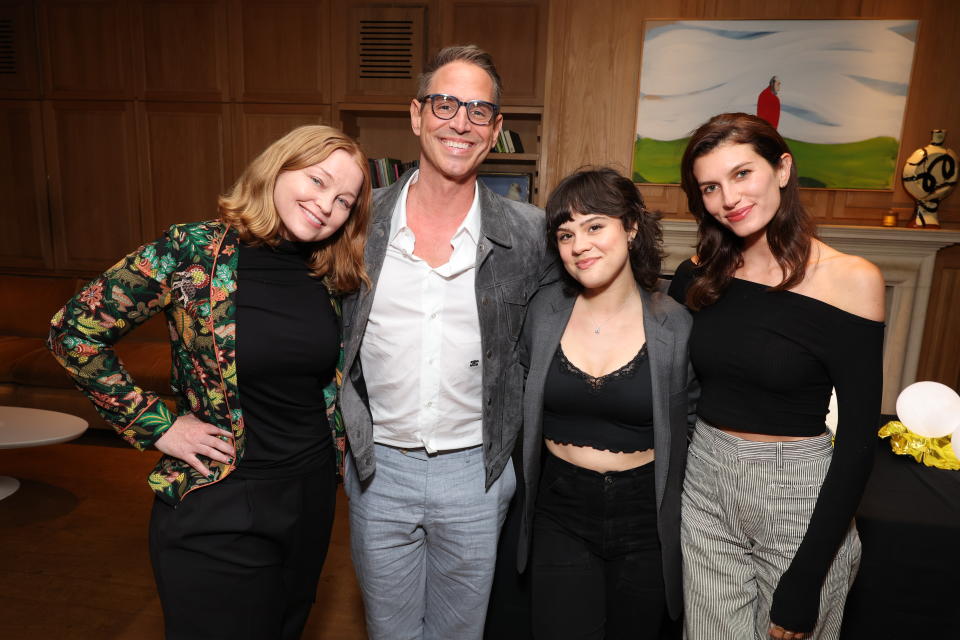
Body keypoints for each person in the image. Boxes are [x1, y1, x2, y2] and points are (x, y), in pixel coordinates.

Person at [47, 125, 372, 640]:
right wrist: (156, 425)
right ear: (279, 168)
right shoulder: (191, 252)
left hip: (308, 502)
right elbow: (74, 331)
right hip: (218, 501)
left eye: (343, 199)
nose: (325, 203)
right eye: (316, 179)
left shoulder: (333, 276)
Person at [338, 45, 550, 640]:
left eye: (479, 110)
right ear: (416, 114)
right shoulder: (356, 224)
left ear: (496, 129)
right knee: (390, 631)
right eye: (446, 104)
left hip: (476, 475)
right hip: (378, 470)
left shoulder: (530, 235)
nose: (460, 122)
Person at [668, 113, 885, 640]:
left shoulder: (851, 280)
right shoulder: (696, 275)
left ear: (782, 168)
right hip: (705, 485)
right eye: (711, 187)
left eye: (743, 174)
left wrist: (806, 579)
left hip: (798, 497)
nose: (729, 198)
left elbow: (858, 441)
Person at [514, 168, 696, 640]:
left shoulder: (676, 325)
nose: (580, 245)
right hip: (559, 510)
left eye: (595, 226)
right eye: (566, 234)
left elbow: (695, 429)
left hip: (645, 519)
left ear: (631, 227)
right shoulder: (541, 312)